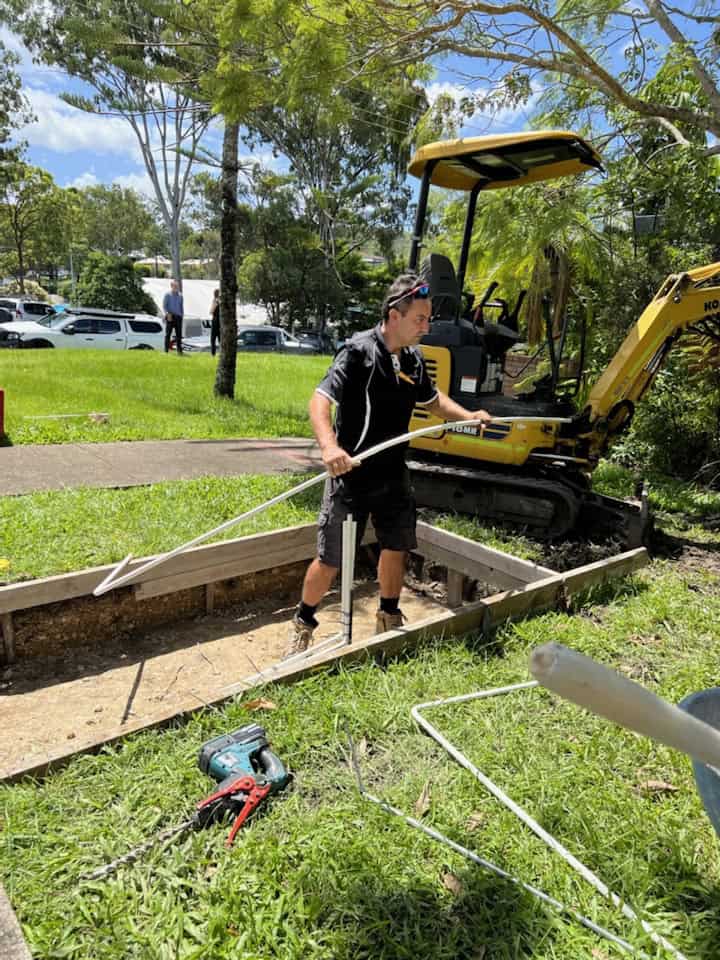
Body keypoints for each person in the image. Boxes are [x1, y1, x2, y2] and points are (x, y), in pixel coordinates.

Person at [285, 272, 493, 657]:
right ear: (394, 315)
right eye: (420, 318)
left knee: (396, 546)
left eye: (428, 318)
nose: (426, 327)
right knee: (331, 560)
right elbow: (320, 401)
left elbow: (433, 402)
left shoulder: (414, 360)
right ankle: (303, 621)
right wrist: (330, 448)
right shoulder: (357, 352)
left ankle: (388, 618)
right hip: (351, 473)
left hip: (393, 474)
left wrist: (467, 415)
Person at [162, 279, 184, 354]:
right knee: (168, 334)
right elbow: (164, 306)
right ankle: (166, 350)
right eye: (174, 286)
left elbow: (181, 307)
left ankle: (179, 351)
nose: (176, 287)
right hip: (170, 316)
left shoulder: (180, 296)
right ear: (171, 286)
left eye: (177, 286)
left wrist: (181, 316)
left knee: (179, 335)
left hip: (178, 317)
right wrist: (167, 314)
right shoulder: (167, 295)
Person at [209, 288, 220, 357]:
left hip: (215, 321)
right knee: (220, 339)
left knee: (213, 339)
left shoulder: (215, 301)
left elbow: (211, 311)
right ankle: (221, 353)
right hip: (220, 321)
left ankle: (213, 353)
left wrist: (214, 304)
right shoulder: (221, 301)